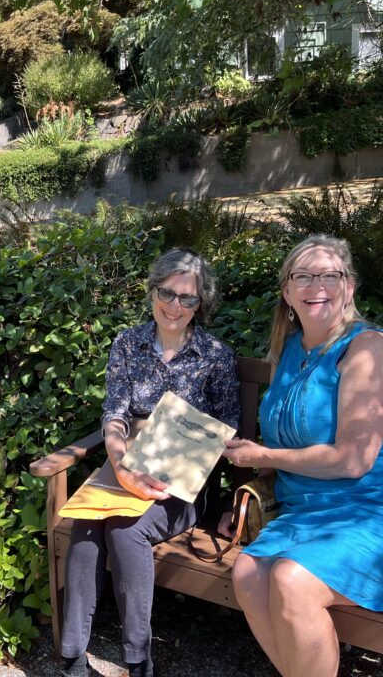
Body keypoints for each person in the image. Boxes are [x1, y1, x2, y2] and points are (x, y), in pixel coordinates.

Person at [222, 234, 383, 677]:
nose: (317, 285)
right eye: (303, 276)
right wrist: (247, 487)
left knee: (291, 580)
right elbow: (285, 442)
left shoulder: (369, 348)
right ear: (287, 291)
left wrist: (266, 455)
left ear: (348, 287)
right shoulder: (291, 349)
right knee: (248, 574)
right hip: (319, 509)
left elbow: (354, 460)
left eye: (329, 275)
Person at [61, 248, 240, 677]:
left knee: (125, 528)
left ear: (201, 305)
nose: (175, 306)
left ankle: (137, 660)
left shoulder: (216, 355)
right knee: (86, 523)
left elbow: (227, 430)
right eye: (168, 293)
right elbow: (115, 414)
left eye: (188, 299)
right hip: (124, 463)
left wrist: (216, 488)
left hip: (180, 480)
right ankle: (71, 656)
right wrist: (122, 464)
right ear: (152, 290)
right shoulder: (127, 343)